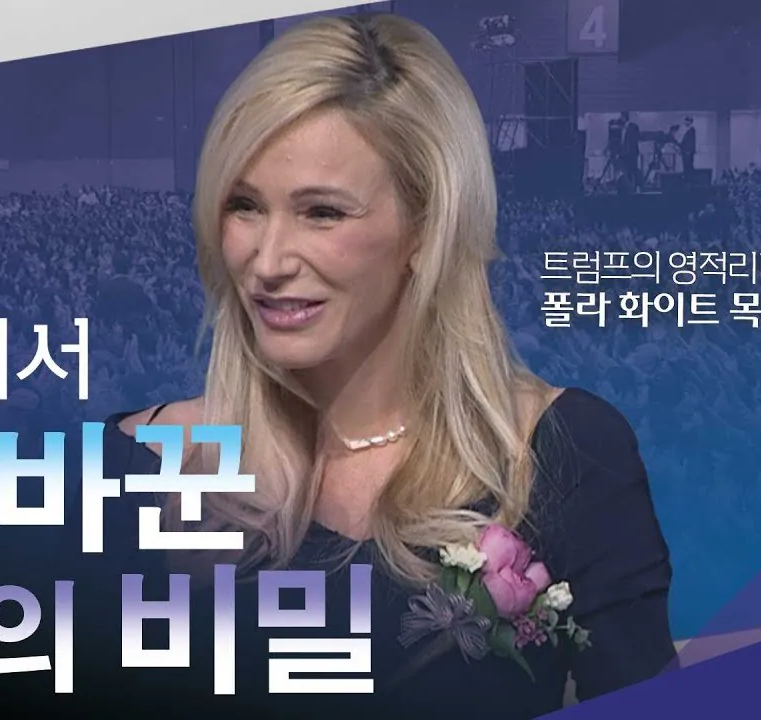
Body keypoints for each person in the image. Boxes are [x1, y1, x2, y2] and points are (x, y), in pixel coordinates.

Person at [59, 13, 675, 718]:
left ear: (426, 227)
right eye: (244, 206)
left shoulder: (561, 455)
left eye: (322, 212)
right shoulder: (125, 469)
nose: (267, 260)